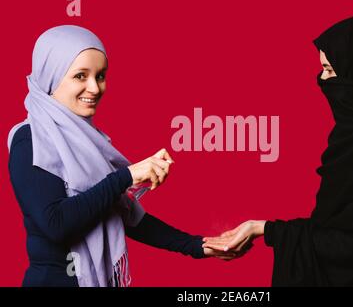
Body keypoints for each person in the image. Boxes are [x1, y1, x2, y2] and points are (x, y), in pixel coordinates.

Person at [203, 16, 353, 286]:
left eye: (330, 70)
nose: (323, 80)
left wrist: (264, 229)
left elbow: (352, 244)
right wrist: (264, 228)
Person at [7, 25, 233, 287]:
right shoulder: (31, 139)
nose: (95, 88)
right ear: (51, 76)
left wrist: (197, 246)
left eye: (100, 76)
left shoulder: (89, 143)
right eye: (81, 76)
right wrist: (127, 175)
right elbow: (56, 224)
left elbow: (123, 216)